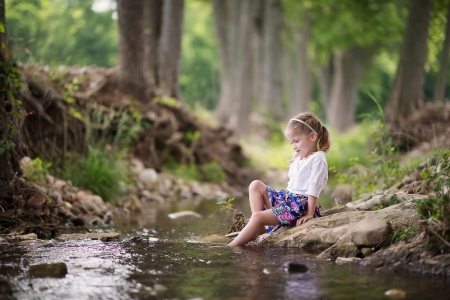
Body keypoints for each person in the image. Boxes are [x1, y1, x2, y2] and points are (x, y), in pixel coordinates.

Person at [228, 112, 331, 246]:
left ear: (312, 137)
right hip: (288, 199)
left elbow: (314, 188)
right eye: (291, 142)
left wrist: (309, 214)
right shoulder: (299, 157)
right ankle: (259, 226)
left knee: (257, 216)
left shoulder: (317, 159)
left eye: (296, 141)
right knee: (255, 185)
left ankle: (231, 246)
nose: (294, 146)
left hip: (299, 206)